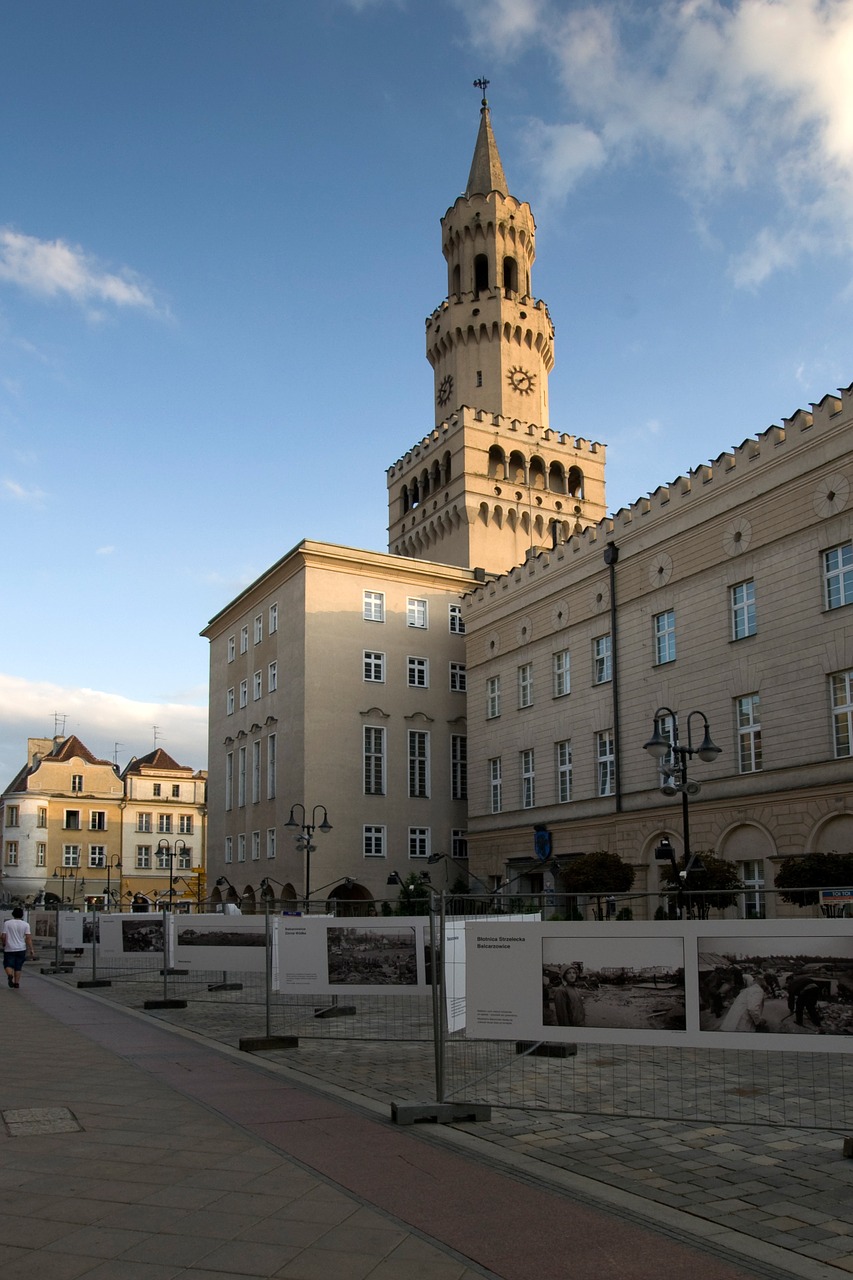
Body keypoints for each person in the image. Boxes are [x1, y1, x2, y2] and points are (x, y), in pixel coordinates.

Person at [2, 908, 35, 988]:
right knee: (18, 966)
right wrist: (31, 949)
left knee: (8, 964)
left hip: (9, 947)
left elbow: (3, 936)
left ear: (13, 914)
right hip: (21, 948)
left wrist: (4, 943)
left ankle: (10, 975)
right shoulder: (26, 924)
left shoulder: (7, 923)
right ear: (22, 915)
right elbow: (28, 938)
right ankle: (16, 983)